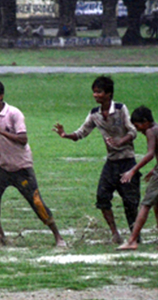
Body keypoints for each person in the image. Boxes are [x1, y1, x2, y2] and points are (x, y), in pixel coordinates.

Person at [0, 79, 66, 248]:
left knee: (36, 202)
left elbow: (23, 139)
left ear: (0, 96)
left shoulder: (13, 113)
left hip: (22, 168)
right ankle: (0, 236)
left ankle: (58, 237)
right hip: (3, 168)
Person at [53, 76, 140, 244]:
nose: (95, 95)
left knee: (130, 201)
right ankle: (115, 233)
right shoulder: (95, 114)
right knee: (102, 197)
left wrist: (120, 141)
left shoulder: (121, 109)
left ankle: (135, 235)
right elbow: (81, 133)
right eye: (94, 92)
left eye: (99, 92)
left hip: (127, 161)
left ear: (109, 94)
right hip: (111, 162)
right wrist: (66, 135)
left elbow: (133, 131)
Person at [117, 106, 158, 251]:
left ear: (145, 122)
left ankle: (132, 240)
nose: (138, 130)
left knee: (145, 205)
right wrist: (156, 168)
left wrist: (133, 170)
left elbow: (150, 153)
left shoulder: (151, 131)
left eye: (138, 126)